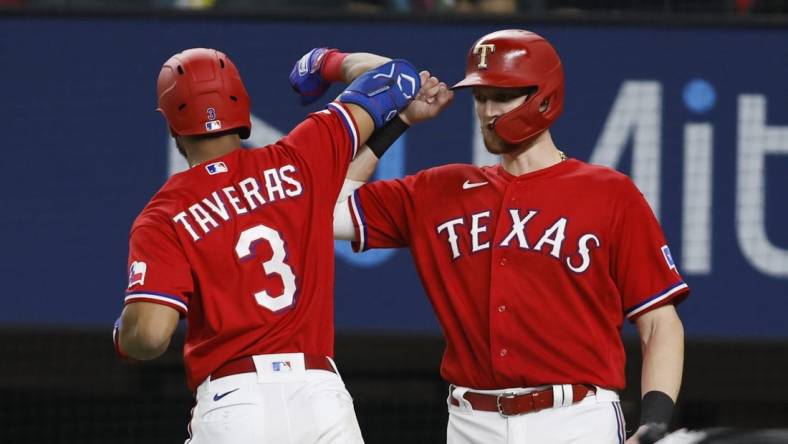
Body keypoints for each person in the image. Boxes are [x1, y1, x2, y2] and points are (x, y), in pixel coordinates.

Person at [324, 30, 689, 444]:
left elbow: (660, 323)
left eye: (502, 96)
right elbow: (326, 210)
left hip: (574, 420)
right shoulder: (438, 189)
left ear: (544, 96)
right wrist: (400, 122)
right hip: (470, 421)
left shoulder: (609, 193)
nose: (488, 110)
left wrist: (655, 422)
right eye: (480, 98)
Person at [111, 46, 434, 443]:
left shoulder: (163, 215)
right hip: (320, 396)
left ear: (172, 124)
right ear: (242, 106)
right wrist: (322, 62)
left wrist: (124, 334)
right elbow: (395, 77)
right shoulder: (301, 156)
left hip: (234, 399)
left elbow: (149, 336)